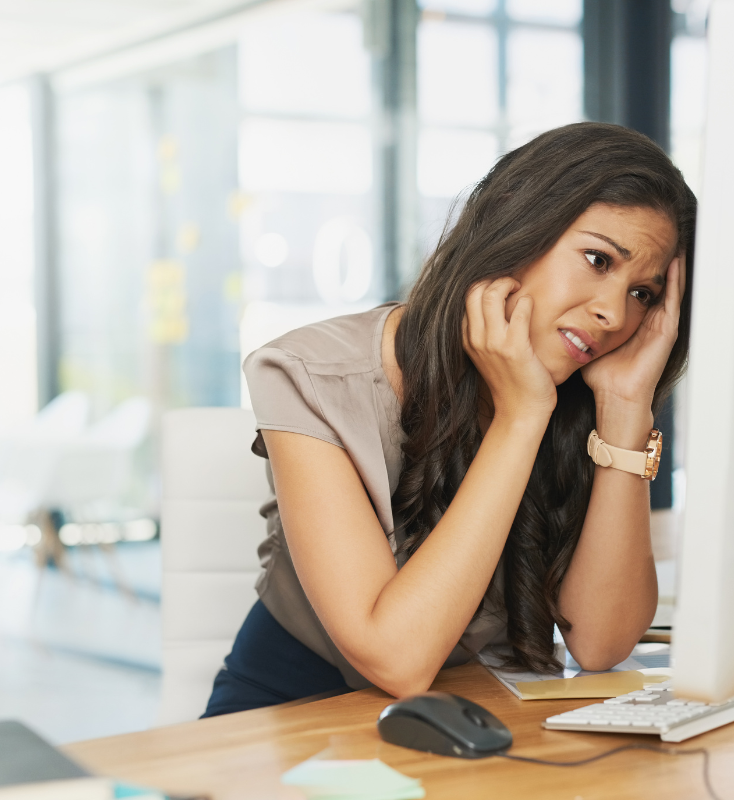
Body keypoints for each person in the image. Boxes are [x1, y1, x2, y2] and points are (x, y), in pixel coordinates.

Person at [203, 122, 696, 716]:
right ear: (516, 226)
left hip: (467, 711)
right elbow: (398, 660)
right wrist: (520, 416)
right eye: (597, 260)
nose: (613, 313)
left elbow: (601, 642)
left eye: (643, 292)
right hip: (292, 713)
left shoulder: (581, 395)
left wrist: (625, 410)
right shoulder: (308, 374)